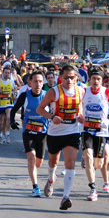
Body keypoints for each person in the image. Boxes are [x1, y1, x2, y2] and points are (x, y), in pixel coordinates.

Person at [36, 65, 85, 209]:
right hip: (55, 133)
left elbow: (79, 106)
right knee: (53, 162)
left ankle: (65, 197)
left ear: (76, 76)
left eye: (72, 77)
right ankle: (51, 179)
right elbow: (40, 109)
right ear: (61, 77)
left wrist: (80, 115)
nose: (69, 80)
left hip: (72, 131)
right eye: (66, 77)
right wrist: (52, 117)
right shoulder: (54, 92)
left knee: (70, 164)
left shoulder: (80, 90)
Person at [10, 71, 50, 197]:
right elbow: (14, 109)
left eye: (40, 81)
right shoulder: (25, 95)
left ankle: (37, 178)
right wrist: (12, 121)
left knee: (39, 163)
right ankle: (35, 186)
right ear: (30, 82)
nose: (38, 84)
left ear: (43, 83)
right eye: (35, 81)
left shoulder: (47, 96)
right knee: (31, 157)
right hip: (28, 131)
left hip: (42, 132)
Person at [79, 69, 109, 201]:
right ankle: (93, 189)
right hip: (86, 130)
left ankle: (102, 179)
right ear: (89, 80)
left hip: (101, 131)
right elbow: (77, 106)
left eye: (99, 79)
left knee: (99, 164)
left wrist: (108, 120)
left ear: (102, 81)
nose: (96, 81)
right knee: (89, 157)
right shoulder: (84, 91)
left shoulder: (107, 92)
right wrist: (79, 115)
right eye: (94, 78)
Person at [0, 65, 17, 144]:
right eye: (5, 73)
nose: (7, 74)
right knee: (1, 121)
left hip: (9, 103)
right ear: (3, 73)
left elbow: (15, 89)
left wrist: (15, 94)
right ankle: (0, 135)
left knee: (9, 118)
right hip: (1, 104)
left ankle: (8, 134)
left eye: (8, 73)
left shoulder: (11, 82)